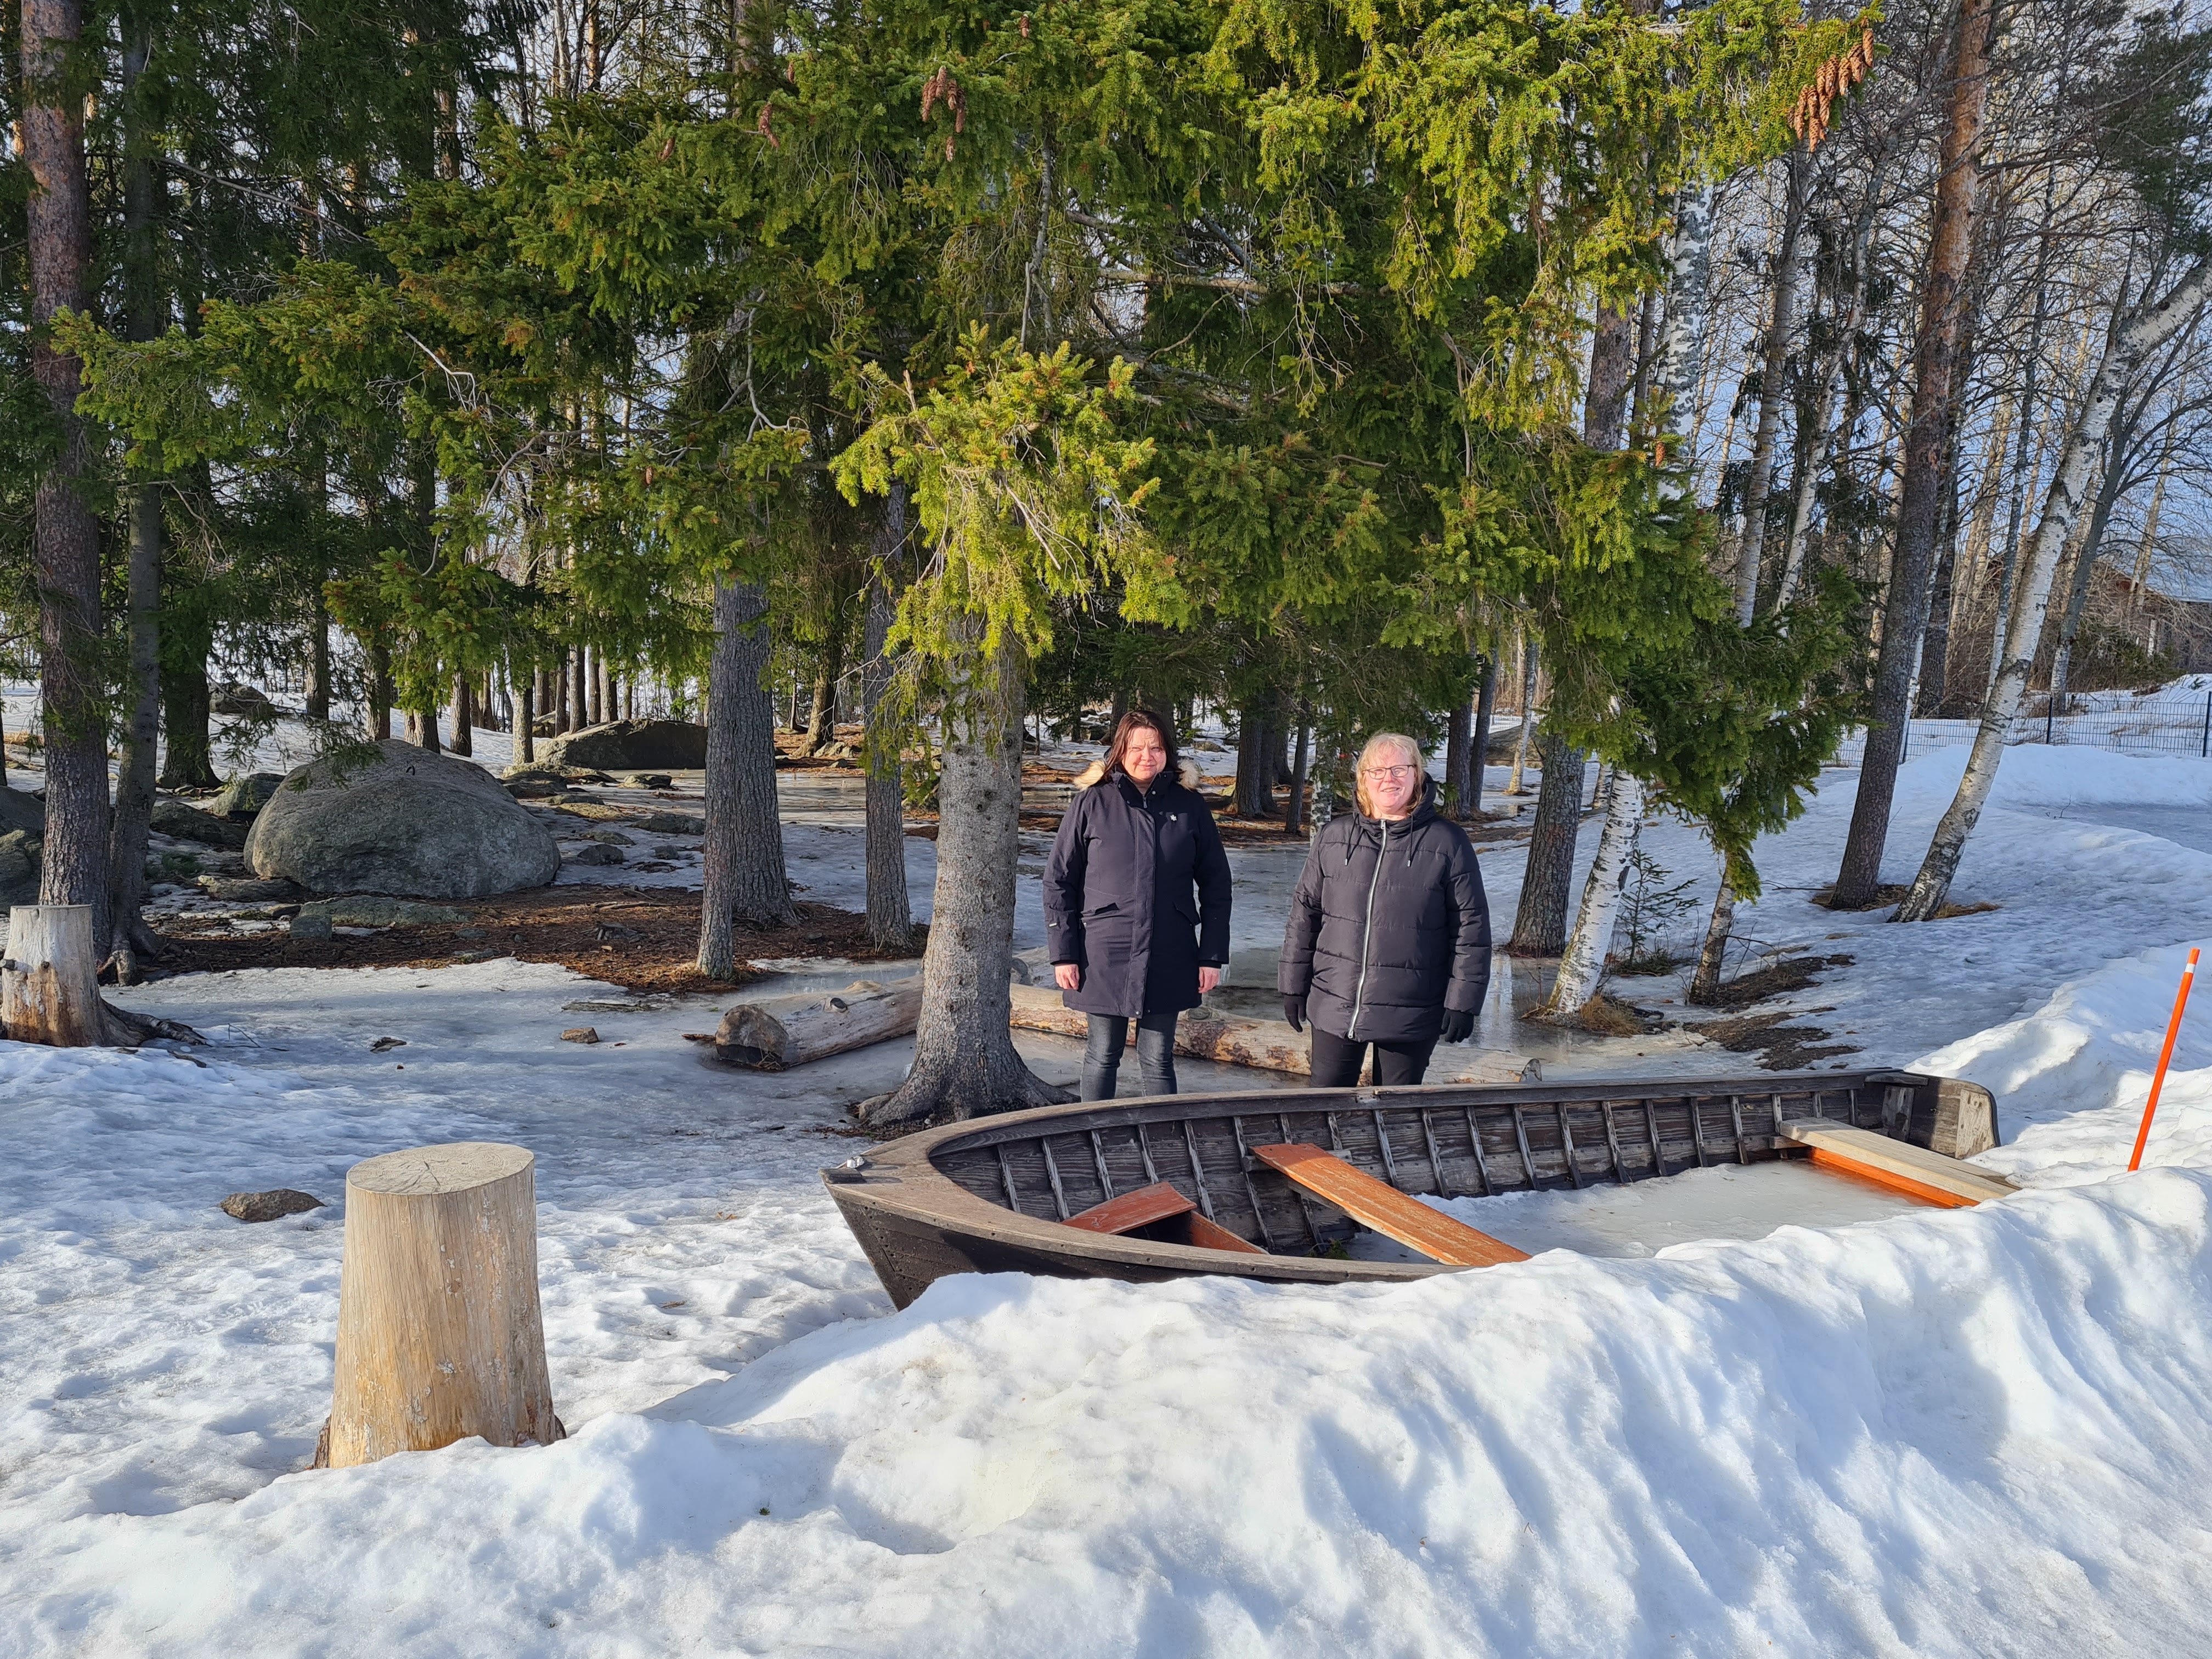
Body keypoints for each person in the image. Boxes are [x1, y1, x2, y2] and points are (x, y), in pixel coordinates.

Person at [1278, 731, 1491, 1087]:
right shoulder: (1334, 837)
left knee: (1395, 1117)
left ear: (1416, 775)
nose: (1388, 779)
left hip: (1412, 1009)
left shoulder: (1447, 842)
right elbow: (1305, 916)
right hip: (1336, 1002)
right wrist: (1292, 985)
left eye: (1398, 769)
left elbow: (1471, 928)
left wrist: (1464, 1000)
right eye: (1376, 771)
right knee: (1321, 1112)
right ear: (1363, 780)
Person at [1044, 709, 1232, 1100]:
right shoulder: (1093, 803)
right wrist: (1064, 954)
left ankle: (1163, 1141)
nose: (1147, 756)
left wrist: (1211, 956)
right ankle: (1093, 1135)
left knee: (1158, 1057)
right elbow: (1060, 880)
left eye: (1156, 747)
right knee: (1101, 1053)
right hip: (1104, 950)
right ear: (1121, 751)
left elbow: (1217, 884)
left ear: (1168, 753)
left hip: (1170, 949)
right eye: (1137, 747)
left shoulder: (1190, 807)